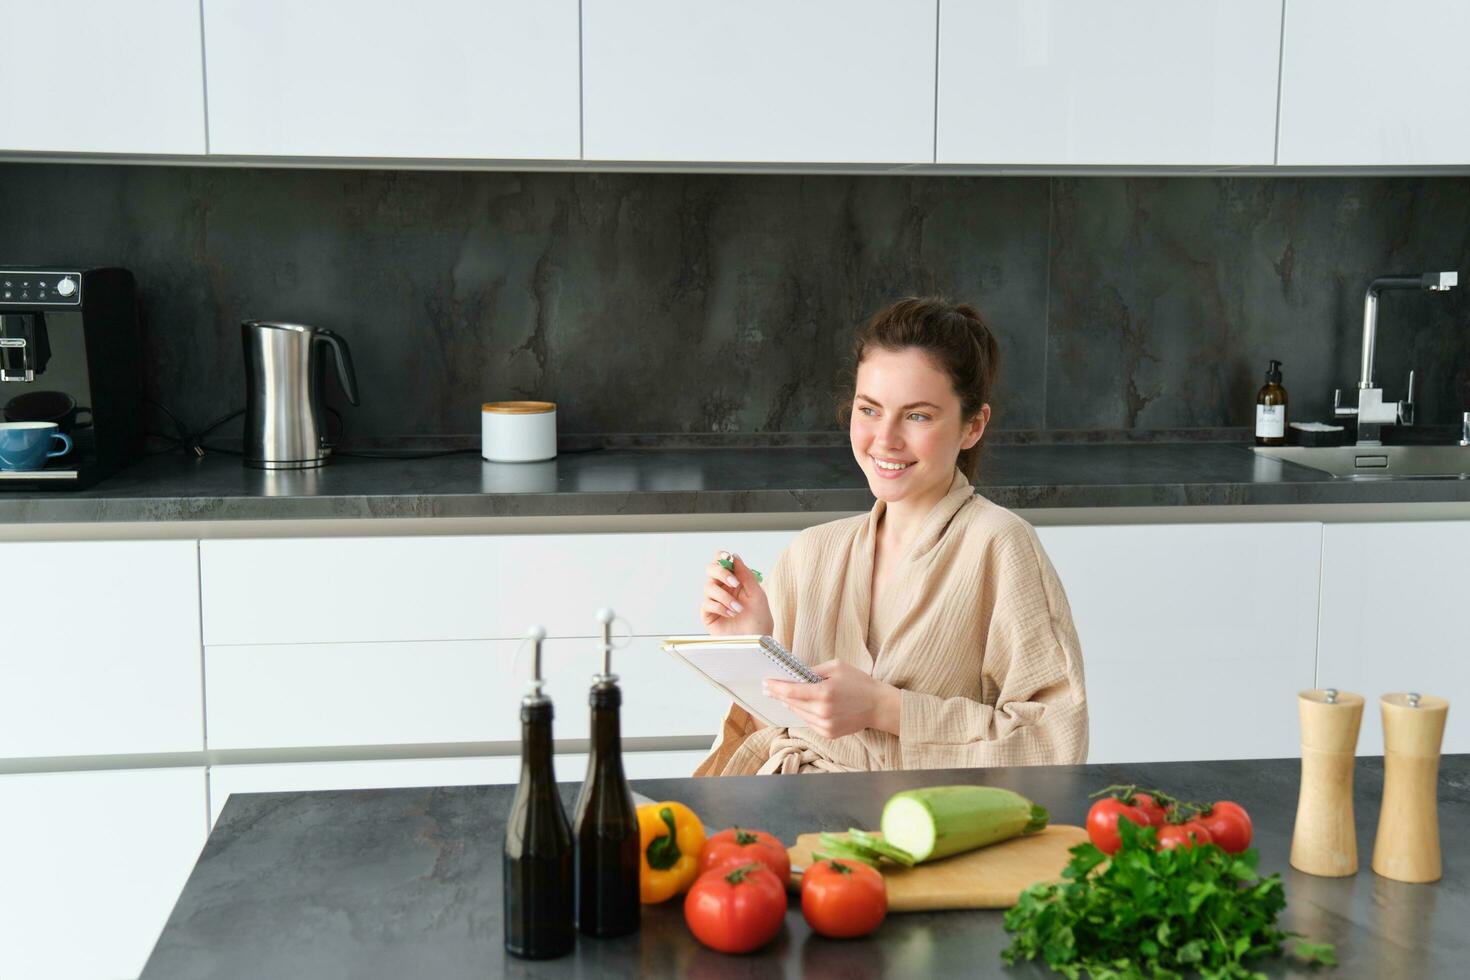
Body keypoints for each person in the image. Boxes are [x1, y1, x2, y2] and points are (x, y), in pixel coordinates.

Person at [694, 297, 1087, 775]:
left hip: (927, 834)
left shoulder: (1000, 545)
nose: (885, 439)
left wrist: (886, 709)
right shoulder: (811, 553)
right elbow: (770, 728)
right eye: (870, 409)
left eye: (917, 415)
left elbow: (1055, 743)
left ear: (973, 426)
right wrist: (752, 647)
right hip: (795, 819)